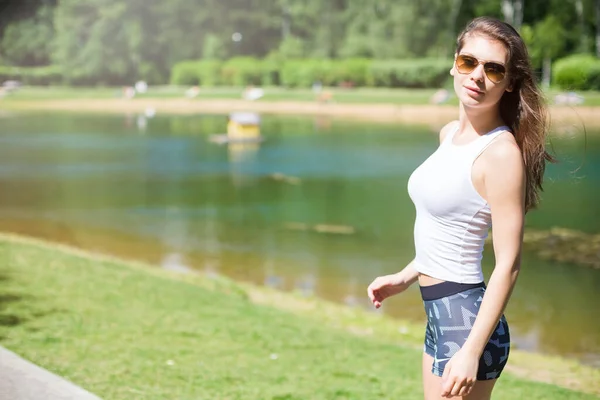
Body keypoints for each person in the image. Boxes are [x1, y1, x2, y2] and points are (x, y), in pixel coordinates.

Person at [367, 16, 553, 400]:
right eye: (469, 62)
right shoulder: (449, 135)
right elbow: (447, 231)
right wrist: (405, 277)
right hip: (440, 317)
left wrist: (471, 351)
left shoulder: (500, 154)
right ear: (455, 63)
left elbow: (509, 264)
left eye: (493, 69)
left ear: (509, 83)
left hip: (467, 324)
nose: (477, 76)